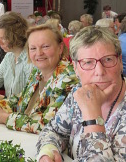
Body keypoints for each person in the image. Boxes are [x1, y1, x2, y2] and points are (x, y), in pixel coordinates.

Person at [36, 26, 126, 161]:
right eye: (88, 62)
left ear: (119, 61)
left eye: (108, 59)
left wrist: (92, 115)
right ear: (76, 68)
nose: (99, 72)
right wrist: (48, 151)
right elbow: (53, 131)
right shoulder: (80, 92)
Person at [0, 24, 79, 134]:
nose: (39, 53)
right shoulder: (37, 71)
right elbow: (21, 100)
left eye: (45, 47)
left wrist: (5, 118)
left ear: (60, 48)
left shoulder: (68, 79)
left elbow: (48, 124)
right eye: (33, 48)